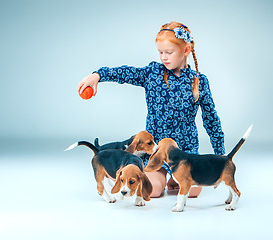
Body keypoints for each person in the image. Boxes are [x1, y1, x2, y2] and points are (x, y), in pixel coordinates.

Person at [78, 21, 225, 198]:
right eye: (160, 52)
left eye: (169, 52)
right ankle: (163, 176)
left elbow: (211, 119)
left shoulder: (199, 81)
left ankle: (175, 178)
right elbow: (126, 73)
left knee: (192, 192)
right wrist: (98, 75)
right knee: (153, 191)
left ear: (186, 50)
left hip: (186, 153)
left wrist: (219, 156)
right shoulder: (153, 73)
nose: (163, 57)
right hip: (155, 152)